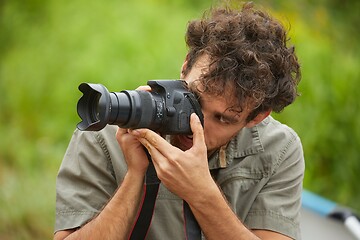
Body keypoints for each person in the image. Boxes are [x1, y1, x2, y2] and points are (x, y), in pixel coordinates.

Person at [54, 2, 304, 240]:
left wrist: (202, 195)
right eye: (194, 97)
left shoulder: (279, 149)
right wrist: (135, 176)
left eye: (223, 118)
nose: (194, 122)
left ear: (257, 117)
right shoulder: (106, 129)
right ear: (185, 67)